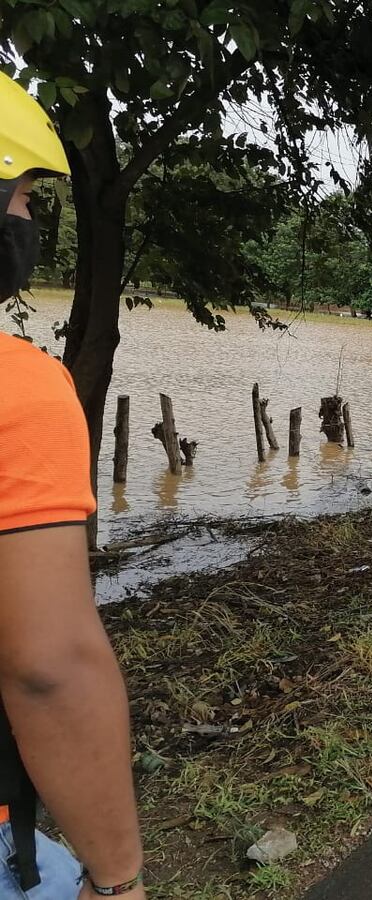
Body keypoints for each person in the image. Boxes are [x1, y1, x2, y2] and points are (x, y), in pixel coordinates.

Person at [1, 72, 146, 899]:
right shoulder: (17, 390)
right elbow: (47, 665)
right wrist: (120, 878)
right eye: (20, 198)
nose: (28, 221)